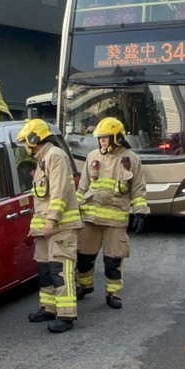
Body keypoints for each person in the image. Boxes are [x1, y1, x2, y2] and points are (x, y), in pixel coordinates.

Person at [16, 118, 82, 333]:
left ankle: (66, 314)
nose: (26, 146)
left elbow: (59, 192)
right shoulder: (42, 159)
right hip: (46, 228)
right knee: (45, 269)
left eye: (26, 141)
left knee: (60, 269)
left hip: (60, 227)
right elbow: (42, 200)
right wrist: (36, 226)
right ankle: (49, 307)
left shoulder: (55, 156)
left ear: (34, 138)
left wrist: (52, 220)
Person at [75, 117, 148, 310]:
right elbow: (82, 188)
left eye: (105, 137)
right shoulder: (92, 157)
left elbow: (138, 189)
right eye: (100, 138)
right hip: (90, 218)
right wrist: (74, 210)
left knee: (113, 260)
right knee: (83, 257)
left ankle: (113, 293)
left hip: (115, 219)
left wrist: (140, 212)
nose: (101, 141)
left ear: (117, 137)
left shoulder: (131, 159)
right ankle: (84, 285)